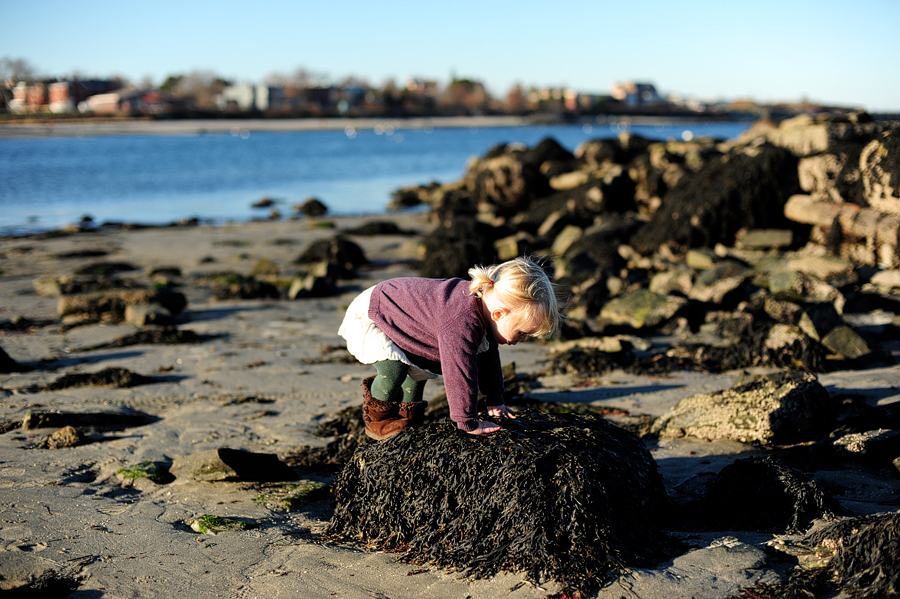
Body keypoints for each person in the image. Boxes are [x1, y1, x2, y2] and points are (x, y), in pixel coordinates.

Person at [338, 256, 562, 440]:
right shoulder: (461, 322)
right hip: (376, 313)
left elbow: (489, 359)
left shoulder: (484, 313)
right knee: (394, 369)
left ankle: (408, 419)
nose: (522, 340)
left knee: (417, 373)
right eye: (522, 332)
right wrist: (467, 422)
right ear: (499, 314)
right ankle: (378, 420)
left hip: (411, 325)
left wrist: (496, 400)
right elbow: (460, 373)